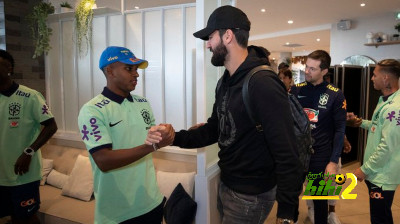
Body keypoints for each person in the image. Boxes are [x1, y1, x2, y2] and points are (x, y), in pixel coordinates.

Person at [146, 5, 303, 224]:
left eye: (210, 37)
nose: (208, 45)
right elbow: (214, 129)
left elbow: (287, 152)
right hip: (228, 184)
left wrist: (286, 213)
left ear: (227, 35)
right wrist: (174, 138)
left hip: (251, 195)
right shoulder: (225, 82)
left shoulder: (263, 84)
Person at [77, 46, 174, 224]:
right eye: (129, 69)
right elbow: (103, 160)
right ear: (110, 71)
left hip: (151, 202)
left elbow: (150, 140)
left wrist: (166, 133)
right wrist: (152, 146)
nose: (136, 74)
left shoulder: (143, 103)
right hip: (117, 213)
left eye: (136, 69)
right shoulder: (92, 110)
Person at [0, 49, 58, 224]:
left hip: (23, 175)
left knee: (25, 218)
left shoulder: (30, 96)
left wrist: (29, 151)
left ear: (9, 68)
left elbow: (51, 126)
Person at [290, 50, 347, 224]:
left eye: (312, 69)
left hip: (320, 156)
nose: (307, 71)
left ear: (324, 71)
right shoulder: (295, 90)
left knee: (319, 199)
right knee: (290, 196)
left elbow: (340, 129)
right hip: (297, 155)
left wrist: (332, 161)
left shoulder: (335, 94)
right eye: (306, 67)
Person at [347, 59, 400, 224]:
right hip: (377, 173)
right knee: (380, 215)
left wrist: (365, 170)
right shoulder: (385, 100)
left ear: (385, 78)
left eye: (374, 75)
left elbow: (387, 147)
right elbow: (378, 126)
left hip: (382, 175)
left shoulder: (394, 108)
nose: (372, 78)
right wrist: (360, 121)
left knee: (380, 218)